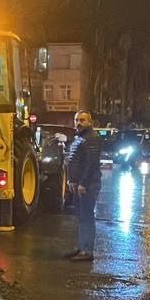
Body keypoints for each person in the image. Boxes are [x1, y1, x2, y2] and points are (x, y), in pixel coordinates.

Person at [64, 111, 103, 262]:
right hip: (79, 184)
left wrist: (83, 183)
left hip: (88, 185)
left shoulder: (91, 138)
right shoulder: (81, 137)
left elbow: (91, 163)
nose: (79, 123)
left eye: (82, 120)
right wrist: (72, 181)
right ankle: (82, 247)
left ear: (90, 122)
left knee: (86, 216)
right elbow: (75, 161)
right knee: (81, 216)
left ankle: (87, 251)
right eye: (76, 120)